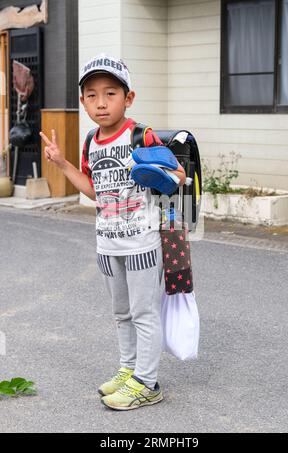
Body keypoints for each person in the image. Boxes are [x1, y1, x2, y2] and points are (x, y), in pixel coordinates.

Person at [40, 54, 186, 411]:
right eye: (91, 95)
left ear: (128, 98)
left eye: (110, 93)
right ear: (82, 101)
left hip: (141, 241)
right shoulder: (91, 141)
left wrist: (161, 174)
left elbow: (178, 176)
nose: (101, 103)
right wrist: (61, 162)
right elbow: (92, 191)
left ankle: (148, 383)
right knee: (121, 313)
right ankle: (129, 370)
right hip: (106, 241)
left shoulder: (142, 135)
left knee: (143, 312)